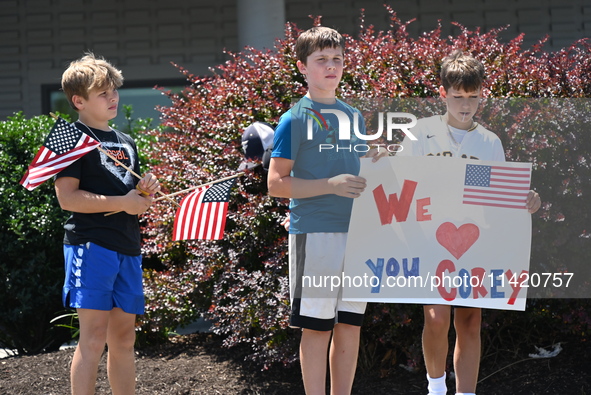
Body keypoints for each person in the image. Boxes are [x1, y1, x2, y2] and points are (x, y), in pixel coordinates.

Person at [398, 50, 541, 395]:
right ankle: (435, 389)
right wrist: (377, 163)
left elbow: (494, 200)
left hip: (475, 241)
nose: (465, 104)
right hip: (429, 239)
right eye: (458, 96)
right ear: (443, 93)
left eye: (473, 96)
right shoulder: (420, 133)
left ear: (482, 95)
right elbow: (398, 184)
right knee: (435, 318)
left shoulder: (489, 142)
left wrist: (526, 202)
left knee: (470, 320)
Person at [267, 26, 385, 394]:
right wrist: (329, 186)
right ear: (302, 66)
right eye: (321, 60)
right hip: (315, 234)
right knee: (317, 327)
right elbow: (275, 184)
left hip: (359, 234)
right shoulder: (294, 119)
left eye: (337, 59)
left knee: (350, 324)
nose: (330, 66)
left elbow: (362, 171)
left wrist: (377, 157)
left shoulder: (354, 116)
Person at [54, 53, 160, 395]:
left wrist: (143, 194)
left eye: (113, 90)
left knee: (124, 338)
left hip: (127, 247)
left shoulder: (125, 141)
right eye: (103, 93)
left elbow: (133, 203)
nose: (112, 97)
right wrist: (125, 202)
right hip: (91, 245)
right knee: (94, 337)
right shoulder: (72, 140)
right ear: (79, 101)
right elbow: (67, 199)